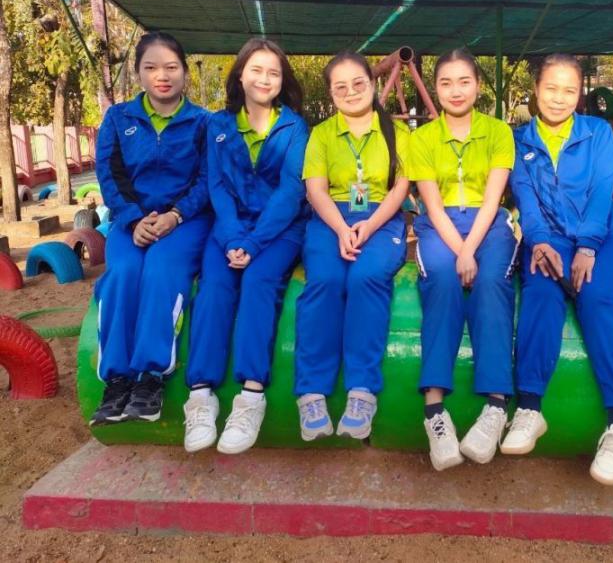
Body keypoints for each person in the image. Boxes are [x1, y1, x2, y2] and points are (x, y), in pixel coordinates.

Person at [506, 54, 613, 485]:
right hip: (551, 236)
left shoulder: (598, 132)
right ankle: (529, 408)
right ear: (536, 90)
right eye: (551, 88)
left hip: (607, 234)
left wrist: (588, 246)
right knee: (541, 291)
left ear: (580, 94)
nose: (559, 98)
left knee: (596, 297)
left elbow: (603, 190)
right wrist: (540, 241)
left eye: (569, 90)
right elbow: (525, 197)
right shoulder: (520, 140)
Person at [183, 38, 308, 454]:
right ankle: (200, 396)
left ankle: (251, 397)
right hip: (229, 226)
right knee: (215, 285)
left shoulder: (293, 128)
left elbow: (291, 192)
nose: (264, 79)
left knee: (258, 281)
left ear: (282, 80)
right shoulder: (218, 126)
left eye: (273, 72)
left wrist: (253, 243)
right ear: (240, 76)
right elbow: (217, 186)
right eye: (256, 70)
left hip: (280, 229)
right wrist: (235, 237)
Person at [91, 32, 210, 425]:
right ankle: (117, 379)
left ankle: (150, 376)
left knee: (160, 270)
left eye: (171, 67)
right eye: (152, 67)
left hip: (185, 221)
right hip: (131, 220)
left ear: (185, 73)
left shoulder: (202, 122)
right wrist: (133, 218)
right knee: (124, 272)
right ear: (138, 72)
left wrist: (176, 215)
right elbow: (110, 174)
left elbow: (207, 179)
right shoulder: (118, 118)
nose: (163, 75)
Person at [409, 48, 517, 471]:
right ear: (435, 88)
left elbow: (493, 201)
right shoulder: (422, 139)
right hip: (441, 226)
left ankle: (495, 407)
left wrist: (471, 250)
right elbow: (433, 207)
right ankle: (434, 411)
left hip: (487, 224)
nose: (456, 91)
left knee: (490, 282)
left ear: (477, 85)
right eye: (446, 82)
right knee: (441, 278)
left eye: (464, 81)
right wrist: (460, 251)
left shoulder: (498, 132)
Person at [293, 52, 410, 441]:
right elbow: (315, 190)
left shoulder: (398, 133)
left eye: (358, 83)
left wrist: (369, 225)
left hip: (381, 217)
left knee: (366, 276)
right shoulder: (322, 134)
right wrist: (342, 228)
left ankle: (362, 390)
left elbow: (401, 189)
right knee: (325, 279)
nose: (351, 92)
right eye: (340, 87)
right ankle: (311, 391)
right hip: (332, 217)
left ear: (372, 84)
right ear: (331, 93)